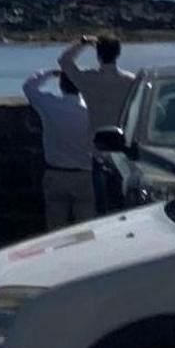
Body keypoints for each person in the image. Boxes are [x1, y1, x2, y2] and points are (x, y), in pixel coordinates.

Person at [22, 62, 95, 227]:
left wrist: (50, 72)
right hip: (85, 175)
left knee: (55, 229)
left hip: (56, 174)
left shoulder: (50, 104)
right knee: (86, 229)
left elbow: (28, 87)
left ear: (61, 86)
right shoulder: (90, 110)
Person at [57, 34, 141, 164]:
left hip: (97, 144)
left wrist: (83, 42)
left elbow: (64, 61)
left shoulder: (87, 79)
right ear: (118, 54)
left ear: (98, 55)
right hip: (124, 143)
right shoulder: (132, 81)